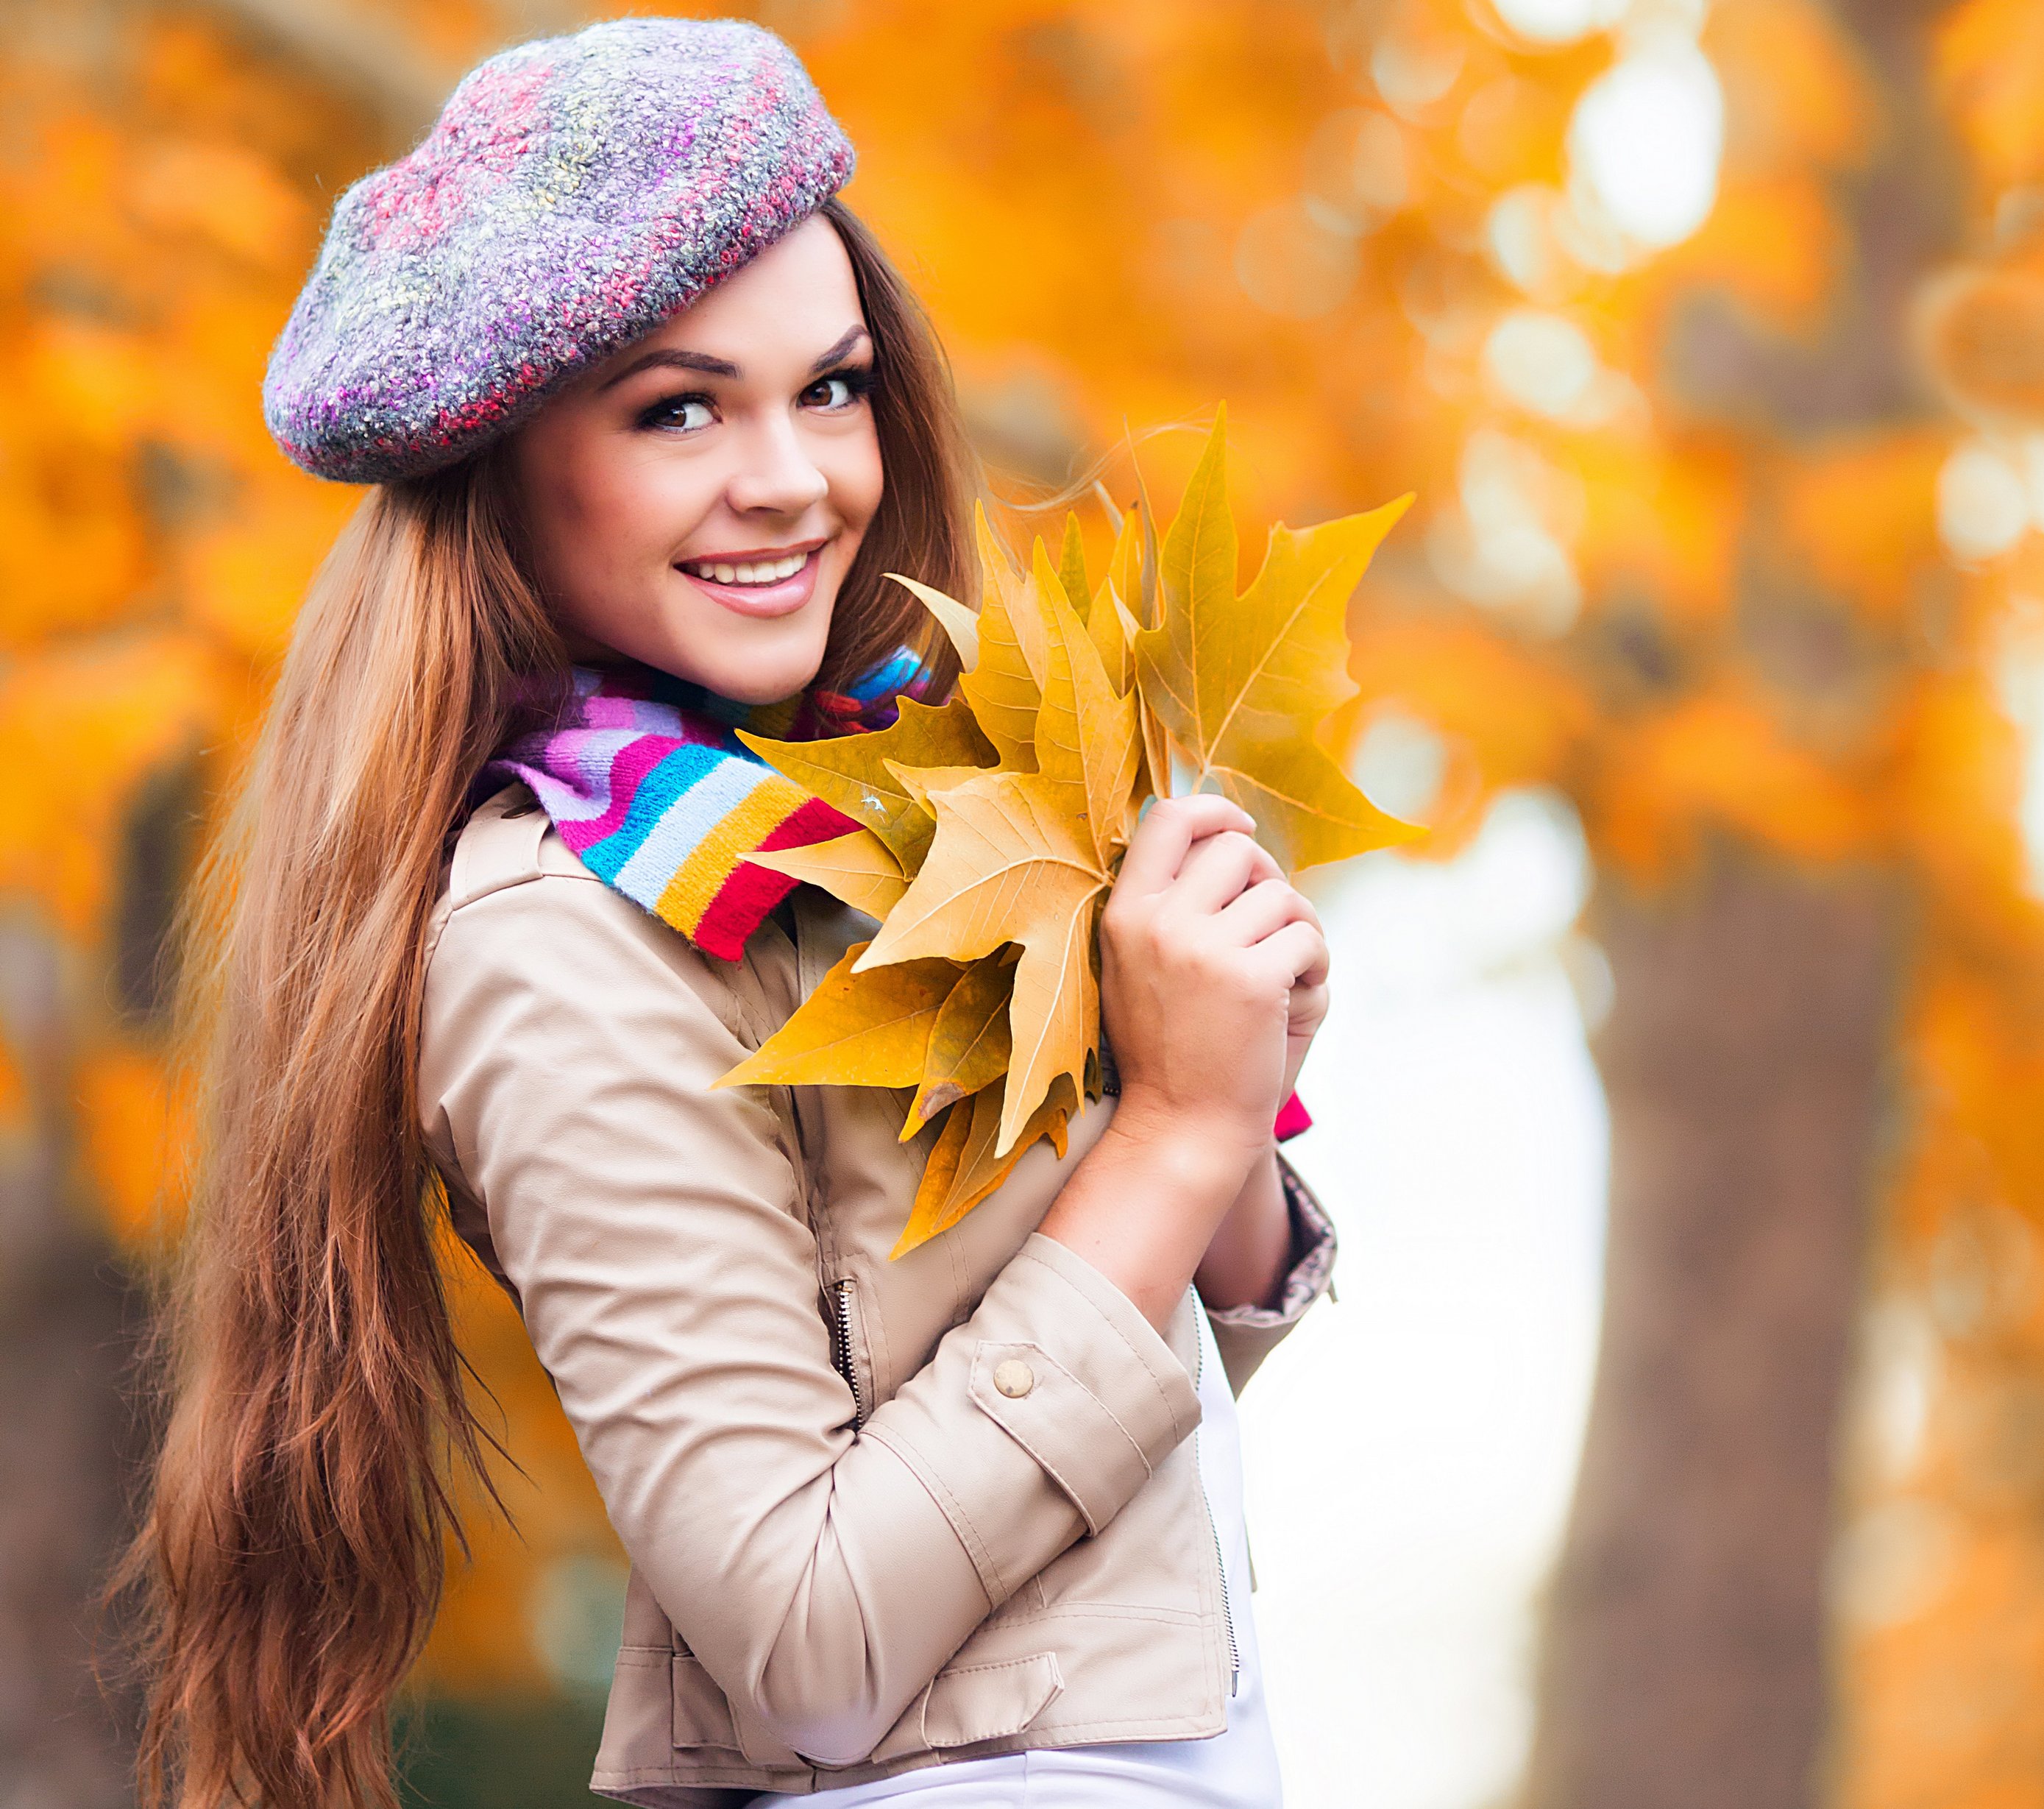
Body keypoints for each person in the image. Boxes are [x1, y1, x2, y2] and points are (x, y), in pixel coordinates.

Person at [128, 19, 1336, 1809]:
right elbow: (815, 1643)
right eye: (681, 408)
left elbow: (1145, 1371)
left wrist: (1222, 1061)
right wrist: (1172, 1125)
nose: (794, 477)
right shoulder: (554, 939)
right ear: (505, 462)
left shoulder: (874, 800)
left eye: (830, 387)